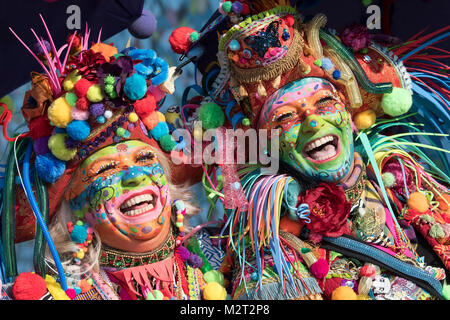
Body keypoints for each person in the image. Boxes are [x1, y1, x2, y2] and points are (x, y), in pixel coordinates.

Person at [168, 0, 449, 300]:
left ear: (348, 107)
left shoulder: (401, 178)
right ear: (265, 145)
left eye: (325, 102)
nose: (314, 123)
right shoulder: (268, 247)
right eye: (286, 117)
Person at [0, 22, 225, 300]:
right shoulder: (58, 295)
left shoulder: (230, 255)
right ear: (74, 208)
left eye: (144, 158)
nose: (135, 176)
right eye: (105, 169)